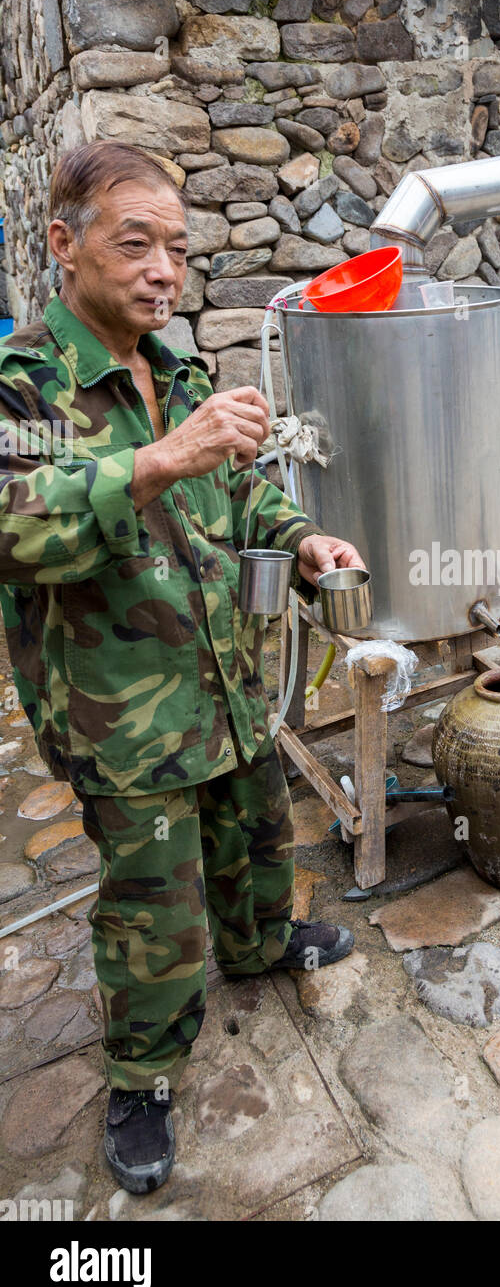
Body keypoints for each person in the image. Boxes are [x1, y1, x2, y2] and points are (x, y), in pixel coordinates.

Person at [0, 141, 364, 1195]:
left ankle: (258, 945)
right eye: (137, 243)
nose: (165, 269)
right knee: (152, 906)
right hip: (126, 715)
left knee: (256, 836)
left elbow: (240, 494)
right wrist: (163, 456)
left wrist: (301, 540)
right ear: (65, 246)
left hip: (226, 678)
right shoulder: (26, 385)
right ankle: (144, 1074)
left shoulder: (183, 370)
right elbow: (15, 530)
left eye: (178, 248)